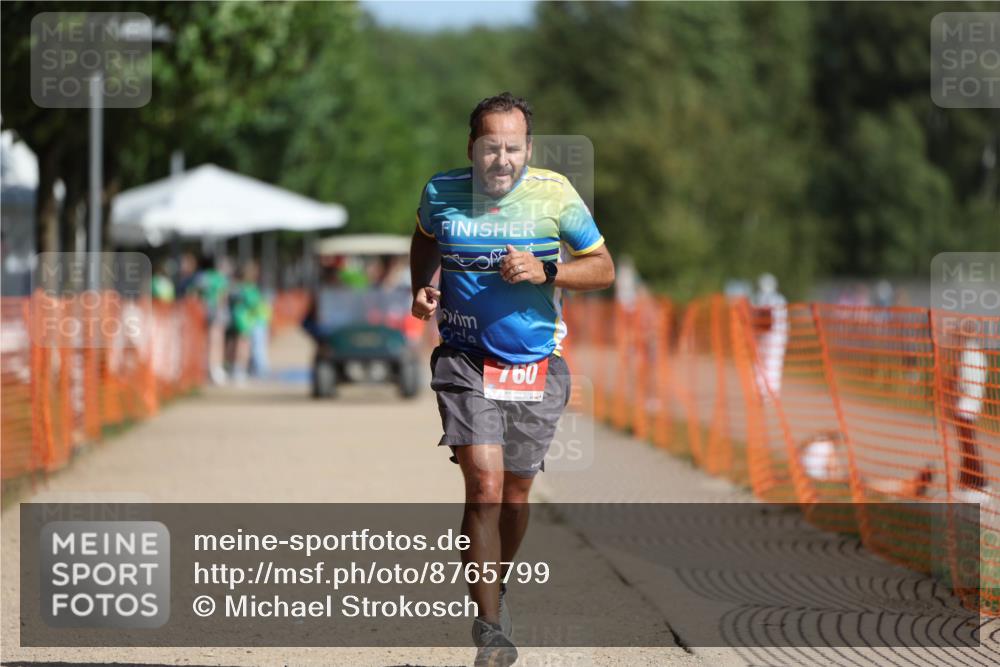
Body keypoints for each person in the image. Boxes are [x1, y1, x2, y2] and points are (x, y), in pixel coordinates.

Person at [409, 92, 615, 666]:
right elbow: (425, 237)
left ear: (528, 149)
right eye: (490, 147)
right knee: (485, 487)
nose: (502, 159)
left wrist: (548, 270)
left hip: (535, 365)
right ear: (470, 147)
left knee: (516, 496)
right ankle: (490, 629)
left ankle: (494, 583)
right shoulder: (440, 191)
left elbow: (603, 268)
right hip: (463, 358)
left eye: (513, 148)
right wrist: (422, 286)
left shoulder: (555, 194)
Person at [752, 272, 788, 400]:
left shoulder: (759, 298)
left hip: (766, 335)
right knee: (773, 363)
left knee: (761, 362)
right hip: (777, 336)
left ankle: (762, 390)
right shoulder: (780, 299)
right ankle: (771, 391)